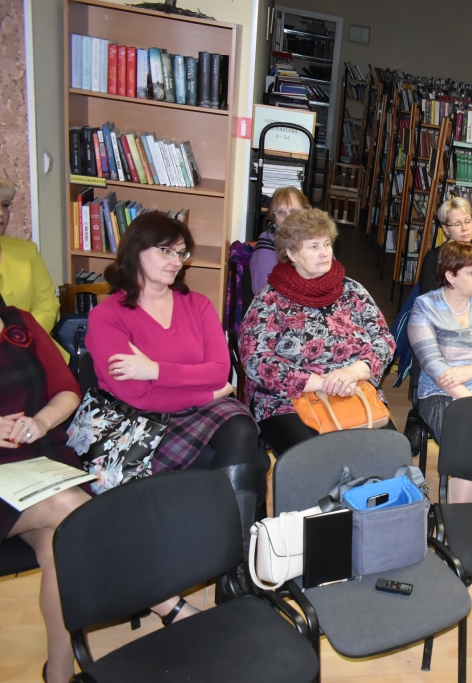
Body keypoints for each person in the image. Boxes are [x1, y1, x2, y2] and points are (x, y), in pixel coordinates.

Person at [85, 213, 266, 559]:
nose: (175, 262)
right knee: (249, 456)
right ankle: (230, 563)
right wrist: (206, 393)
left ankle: (234, 564)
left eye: (180, 254)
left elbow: (219, 371)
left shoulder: (196, 304)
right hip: (142, 425)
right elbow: (137, 395)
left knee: (241, 427)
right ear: (136, 250)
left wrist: (153, 368)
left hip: (194, 413)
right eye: (166, 251)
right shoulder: (107, 317)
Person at [240, 208, 396, 454]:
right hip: (287, 403)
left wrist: (352, 372)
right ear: (291, 253)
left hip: (352, 392)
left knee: (388, 453)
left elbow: (384, 340)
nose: (324, 253)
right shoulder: (270, 300)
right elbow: (256, 360)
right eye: (313, 247)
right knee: (320, 461)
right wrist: (323, 383)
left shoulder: (352, 291)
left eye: (326, 244)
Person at [0, 306, 91, 683]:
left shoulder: (18, 320)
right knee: (73, 514)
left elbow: (66, 389)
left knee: (61, 546)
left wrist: (40, 421)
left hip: (38, 455)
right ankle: (166, 603)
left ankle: (58, 672)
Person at [408, 241, 472, 503]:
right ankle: (456, 519)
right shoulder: (425, 306)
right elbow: (433, 364)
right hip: (443, 393)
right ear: (450, 276)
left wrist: (471, 370)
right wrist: (470, 402)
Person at [0, 178, 60, 334]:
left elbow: (47, 304)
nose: (1, 213)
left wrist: (23, 337)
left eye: (5, 205)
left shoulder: (27, 251)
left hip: (30, 348)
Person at [418, 197, 472, 304]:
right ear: (445, 229)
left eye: (468, 221)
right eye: (457, 224)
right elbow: (429, 300)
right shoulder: (433, 258)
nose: (465, 228)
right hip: (444, 316)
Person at [250, 186, 312, 294]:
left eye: (294, 211)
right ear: (274, 218)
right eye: (281, 212)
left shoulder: (315, 238)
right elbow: (263, 291)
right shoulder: (267, 242)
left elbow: (333, 275)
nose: (288, 217)